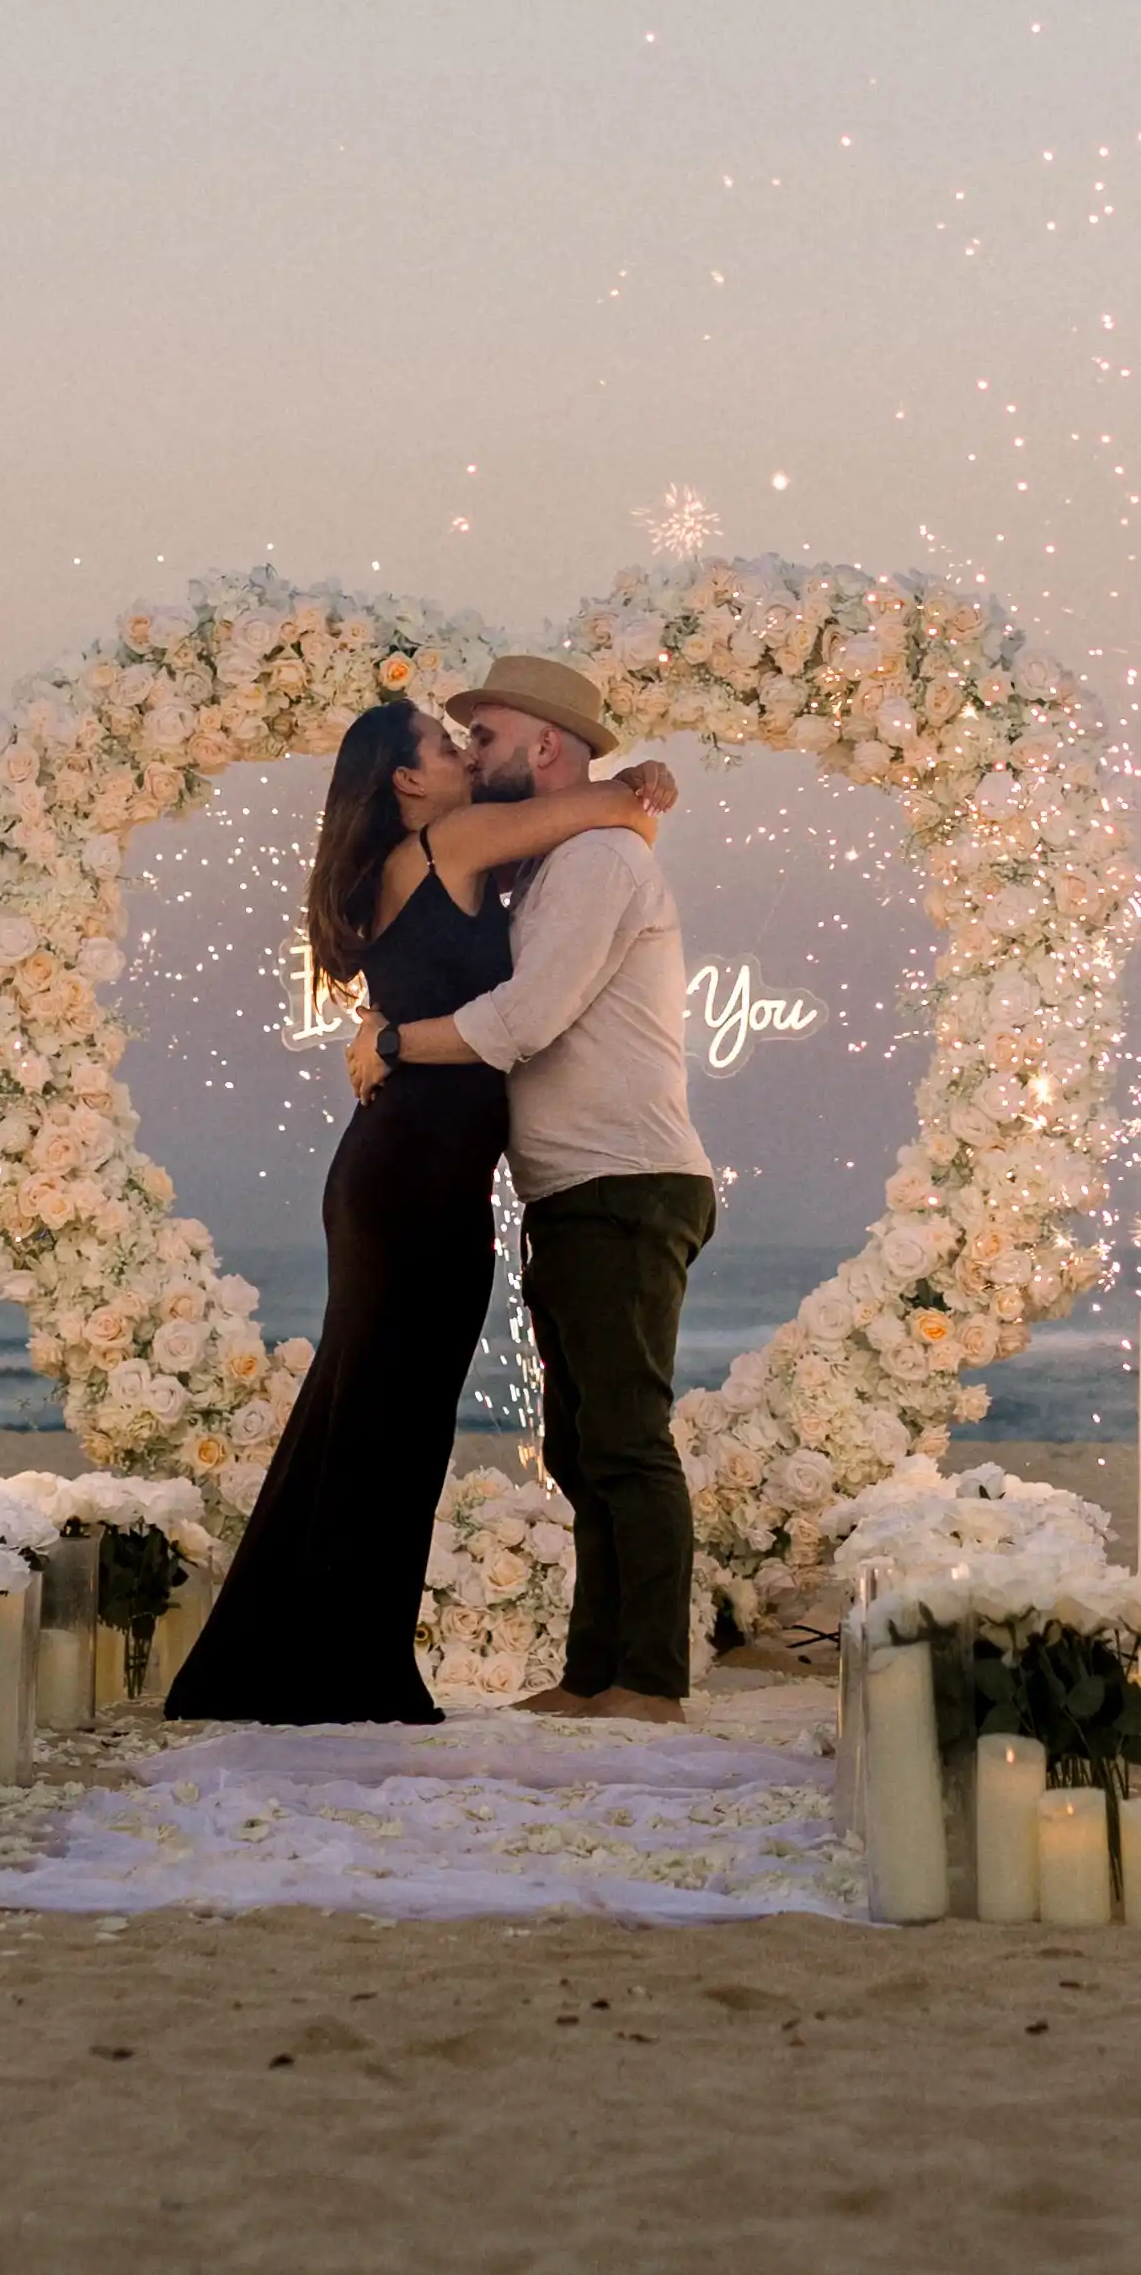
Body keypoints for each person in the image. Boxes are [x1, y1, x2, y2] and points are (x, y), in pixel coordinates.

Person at [162, 695, 675, 1724]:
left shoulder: (429, 856)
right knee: (387, 1422)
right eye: (447, 746)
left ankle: (310, 1662)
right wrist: (644, 784)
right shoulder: (453, 836)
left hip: (407, 1171)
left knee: (370, 1416)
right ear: (407, 780)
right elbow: (615, 809)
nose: (460, 755)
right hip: (410, 1179)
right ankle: (345, 1673)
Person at [353, 653, 715, 1723]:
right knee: (578, 1440)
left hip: (624, 1180)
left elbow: (523, 1020)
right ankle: (595, 1670)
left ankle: (647, 1679)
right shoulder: (558, 858)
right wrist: (634, 785)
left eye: (491, 737)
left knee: (623, 1438)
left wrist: (385, 1040)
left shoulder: (598, 861)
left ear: (544, 748)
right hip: (576, 1186)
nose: (475, 753)